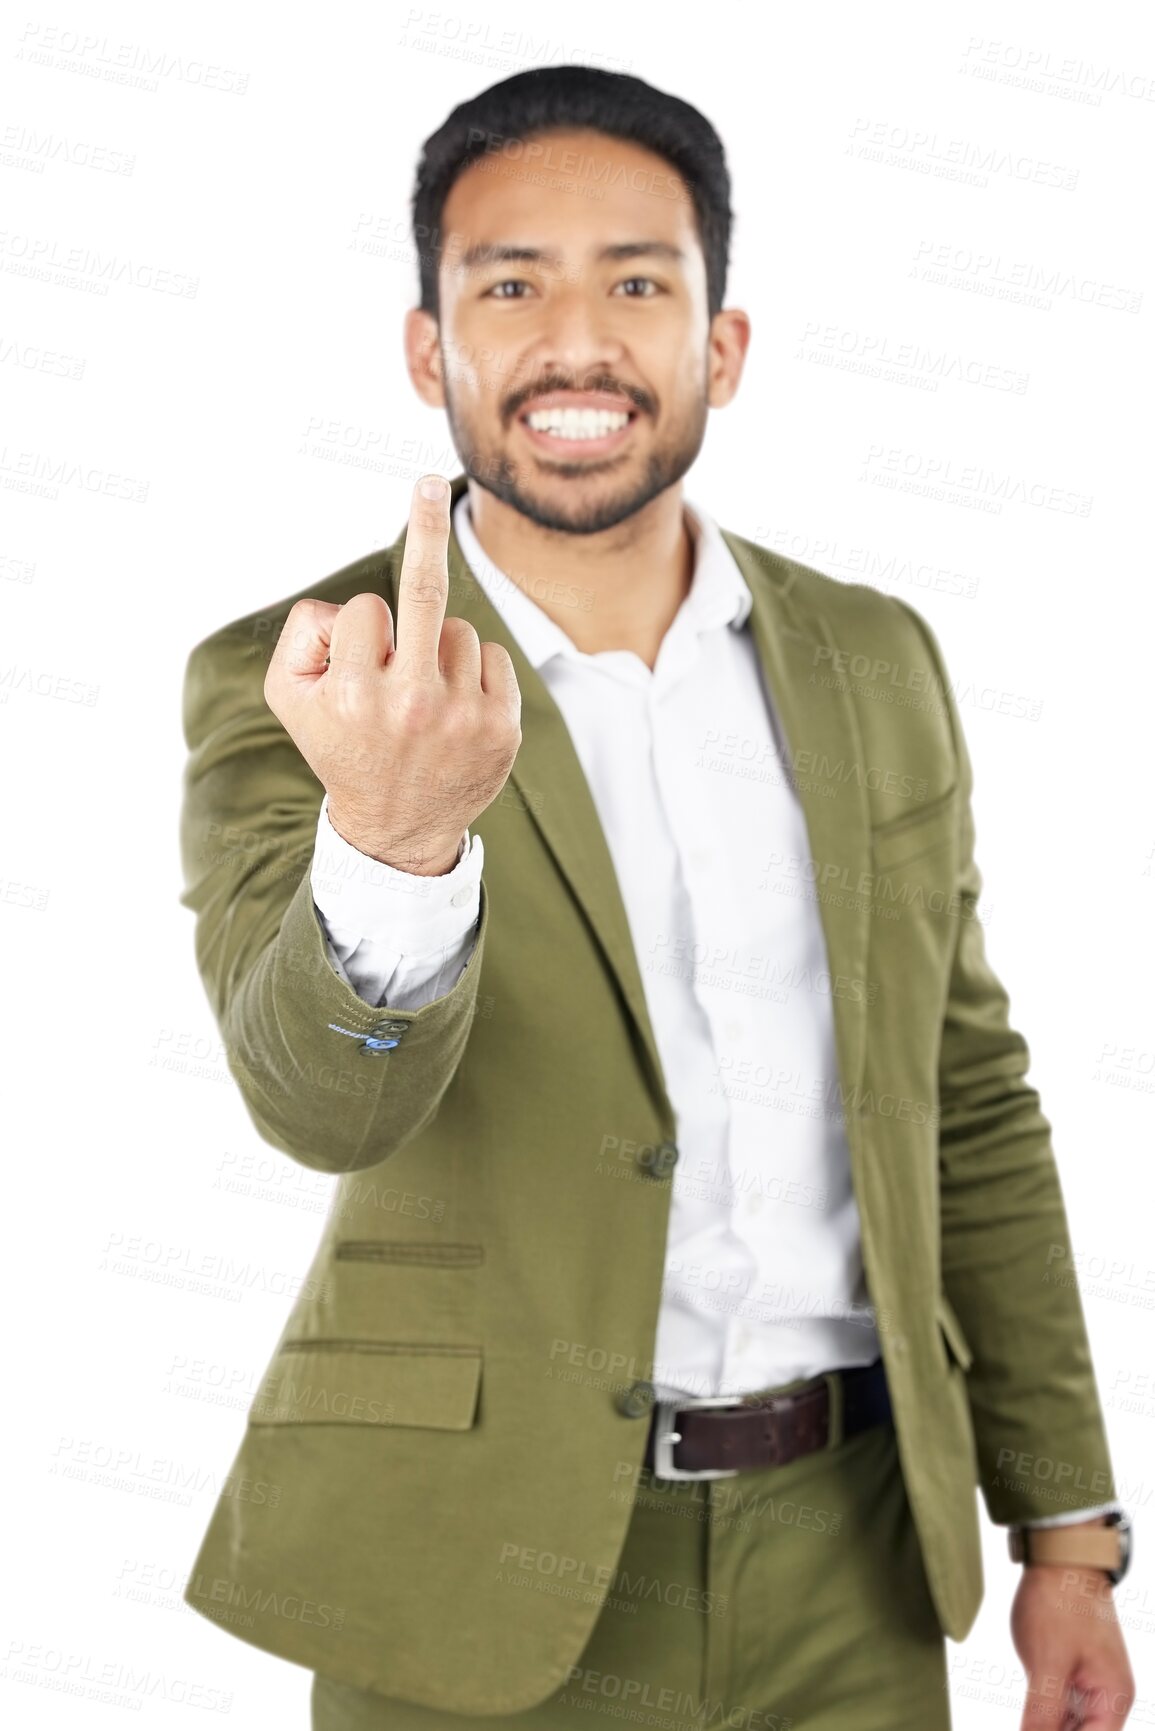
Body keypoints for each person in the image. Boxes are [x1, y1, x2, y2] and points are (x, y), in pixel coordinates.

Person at [178, 64, 1135, 1731]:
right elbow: (316, 1104)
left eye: (638, 280)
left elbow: (967, 1102)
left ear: (721, 343)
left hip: (857, 1557)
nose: (577, 338)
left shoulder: (875, 659)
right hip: (477, 1576)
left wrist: (1068, 1526)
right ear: (430, 350)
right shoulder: (313, 675)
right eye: (509, 282)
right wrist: (393, 840)